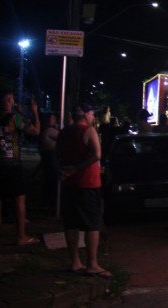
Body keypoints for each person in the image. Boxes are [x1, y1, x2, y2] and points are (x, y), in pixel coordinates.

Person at [56, 102, 111, 277]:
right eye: (92, 114)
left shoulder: (64, 131)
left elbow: (57, 154)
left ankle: (75, 262)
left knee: (71, 223)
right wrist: (77, 167)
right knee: (91, 224)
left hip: (69, 184)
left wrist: (64, 170)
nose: (93, 117)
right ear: (86, 115)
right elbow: (97, 155)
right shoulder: (89, 130)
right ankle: (92, 264)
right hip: (88, 183)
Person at [0, 90, 40, 247]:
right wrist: (33, 112)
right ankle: (21, 236)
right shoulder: (14, 117)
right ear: (6, 100)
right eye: (11, 99)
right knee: (19, 199)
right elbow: (35, 131)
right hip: (11, 163)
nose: (13, 102)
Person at [37, 112, 60, 214]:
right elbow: (62, 136)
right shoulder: (49, 131)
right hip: (51, 159)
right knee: (51, 182)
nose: (55, 120)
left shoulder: (46, 131)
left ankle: (47, 203)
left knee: (48, 182)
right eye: (53, 118)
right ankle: (50, 204)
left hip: (48, 159)